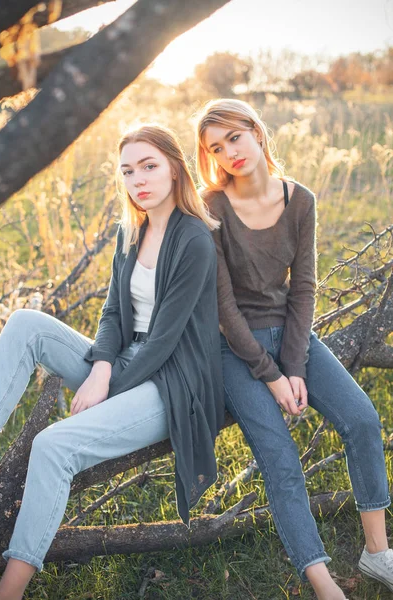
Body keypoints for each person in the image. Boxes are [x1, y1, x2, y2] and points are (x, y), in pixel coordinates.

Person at [0, 124, 224, 600]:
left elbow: (163, 342)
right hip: (123, 360)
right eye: (127, 171)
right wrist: (100, 368)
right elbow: (114, 312)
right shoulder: (131, 229)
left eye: (149, 166)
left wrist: (107, 386)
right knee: (25, 324)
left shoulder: (195, 240)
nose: (138, 179)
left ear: (175, 168)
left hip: (172, 381)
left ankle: (9, 590)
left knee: (54, 446)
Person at [194, 98, 392, 600]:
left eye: (235, 137)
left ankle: (376, 552)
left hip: (289, 333)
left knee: (363, 420)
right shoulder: (210, 207)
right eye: (216, 147)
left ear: (257, 132)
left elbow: (303, 290)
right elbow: (222, 309)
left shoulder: (300, 200)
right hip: (234, 349)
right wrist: (273, 375)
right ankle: (324, 583)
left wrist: (296, 363)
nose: (229, 152)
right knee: (281, 458)